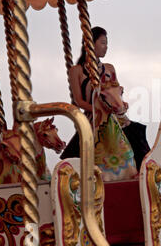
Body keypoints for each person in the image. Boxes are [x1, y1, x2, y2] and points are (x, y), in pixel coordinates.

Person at [60, 27, 150, 168]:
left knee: (134, 134)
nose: (106, 47)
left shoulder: (109, 68)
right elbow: (79, 100)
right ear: (89, 44)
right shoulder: (76, 71)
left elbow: (116, 92)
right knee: (79, 148)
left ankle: (144, 167)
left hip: (114, 115)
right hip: (93, 115)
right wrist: (99, 110)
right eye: (102, 42)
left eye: (106, 43)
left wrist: (122, 103)